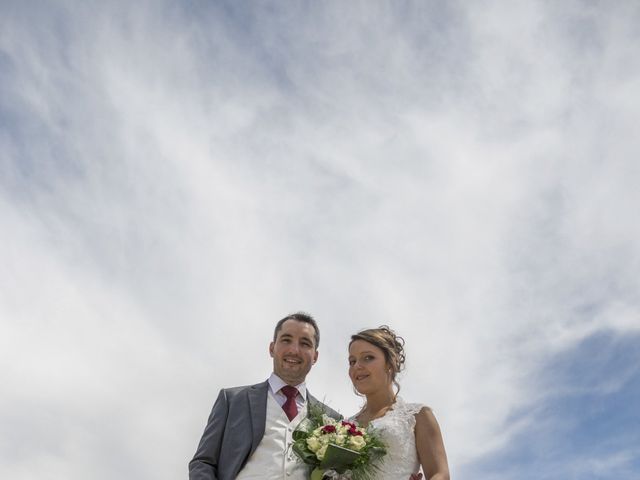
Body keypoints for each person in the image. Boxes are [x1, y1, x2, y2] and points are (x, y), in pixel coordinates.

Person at [189, 312, 341, 480]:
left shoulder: (331, 420)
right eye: (286, 340)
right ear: (271, 348)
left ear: (315, 356)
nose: (294, 350)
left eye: (305, 344)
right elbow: (203, 462)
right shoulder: (232, 400)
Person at [348, 326, 450, 480]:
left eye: (368, 357)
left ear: (390, 363)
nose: (357, 366)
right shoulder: (343, 426)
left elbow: (440, 474)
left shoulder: (418, 416)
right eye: (352, 361)